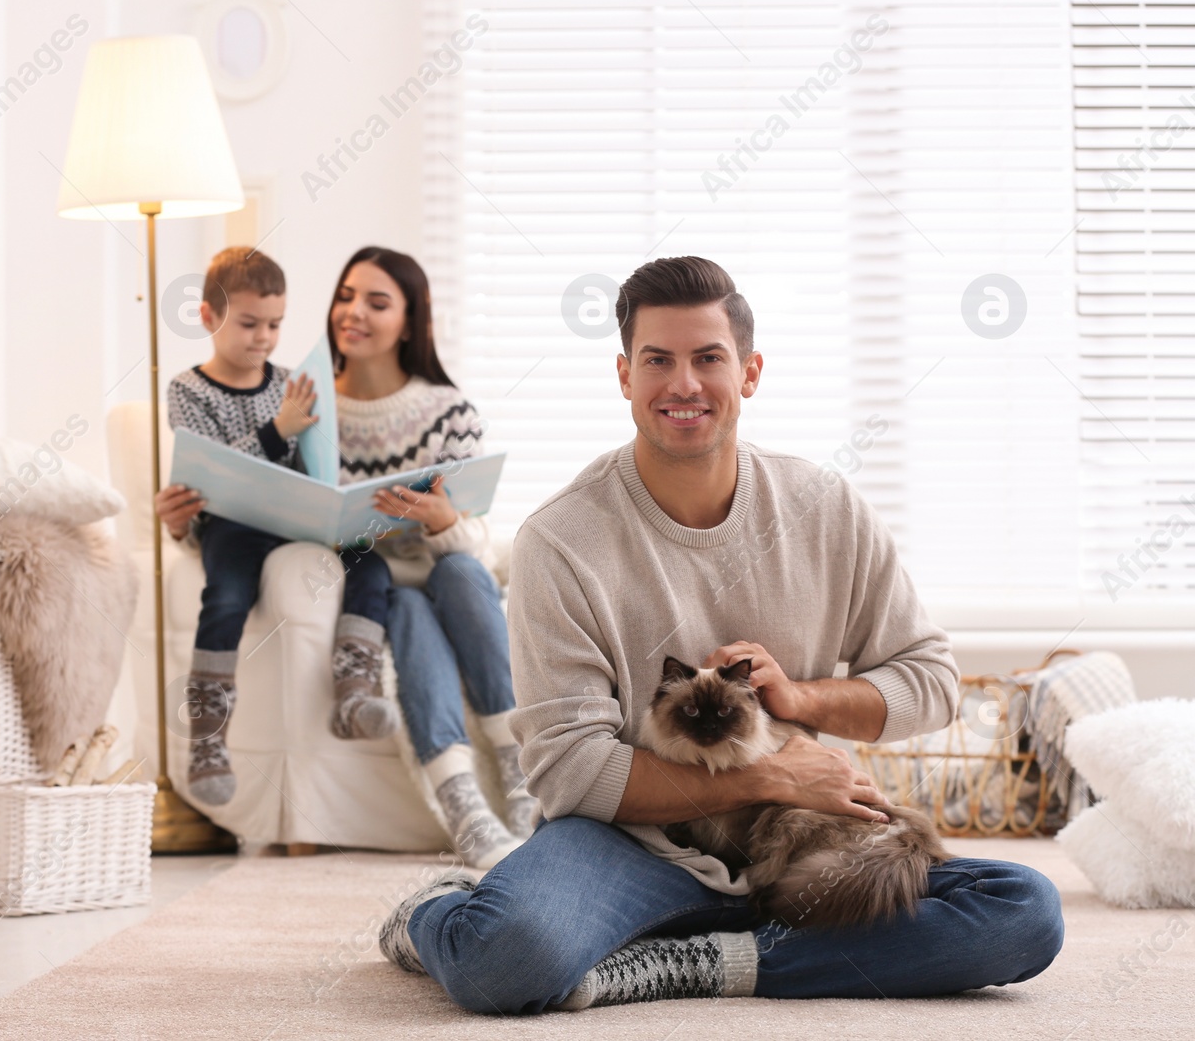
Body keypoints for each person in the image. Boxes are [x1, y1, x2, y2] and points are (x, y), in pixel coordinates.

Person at [377, 255, 1064, 1011]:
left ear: (750, 372)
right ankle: (431, 914)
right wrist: (768, 773)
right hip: (631, 843)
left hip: (796, 841)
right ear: (624, 376)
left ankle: (703, 962)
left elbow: (931, 681)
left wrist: (800, 697)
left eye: (708, 358)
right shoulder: (561, 540)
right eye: (657, 361)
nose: (683, 384)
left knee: (1024, 911)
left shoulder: (826, 506)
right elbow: (568, 771)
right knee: (505, 959)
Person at [155, 246, 400, 808]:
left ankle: (354, 693)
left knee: (371, 560)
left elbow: (313, 459)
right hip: (231, 524)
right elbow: (215, 469)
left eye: (274, 324)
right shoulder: (186, 390)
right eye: (248, 323)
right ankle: (208, 738)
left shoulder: (293, 382)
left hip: (294, 518)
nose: (263, 337)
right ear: (208, 317)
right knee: (226, 596)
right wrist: (278, 427)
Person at [327, 246, 532, 870]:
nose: (353, 312)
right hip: (382, 590)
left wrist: (446, 524)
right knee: (409, 609)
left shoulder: (450, 412)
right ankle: (465, 809)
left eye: (376, 301)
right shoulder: (309, 414)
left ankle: (523, 782)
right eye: (345, 296)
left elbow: (474, 547)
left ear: (411, 323)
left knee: (462, 568)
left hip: (454, 577)